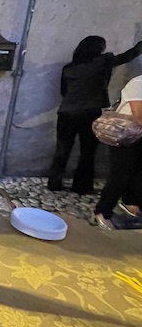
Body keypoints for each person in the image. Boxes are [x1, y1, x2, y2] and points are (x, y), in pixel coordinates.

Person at [47, 36, 142, 194]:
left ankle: (54, 183)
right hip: (90, 112)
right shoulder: (103, 62)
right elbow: (128, 55)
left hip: (67, 112)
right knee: (88, 152)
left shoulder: (69, 68)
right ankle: (82, 186)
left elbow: (64, 91)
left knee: (62, 150)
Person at [94, 74, 142, 229]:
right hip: (126, 135)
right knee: (120, 176)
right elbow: (139, 116)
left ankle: (131, 205)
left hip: (139, 137)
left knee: (137, 174)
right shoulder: (138, 83)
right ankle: (102, 212)